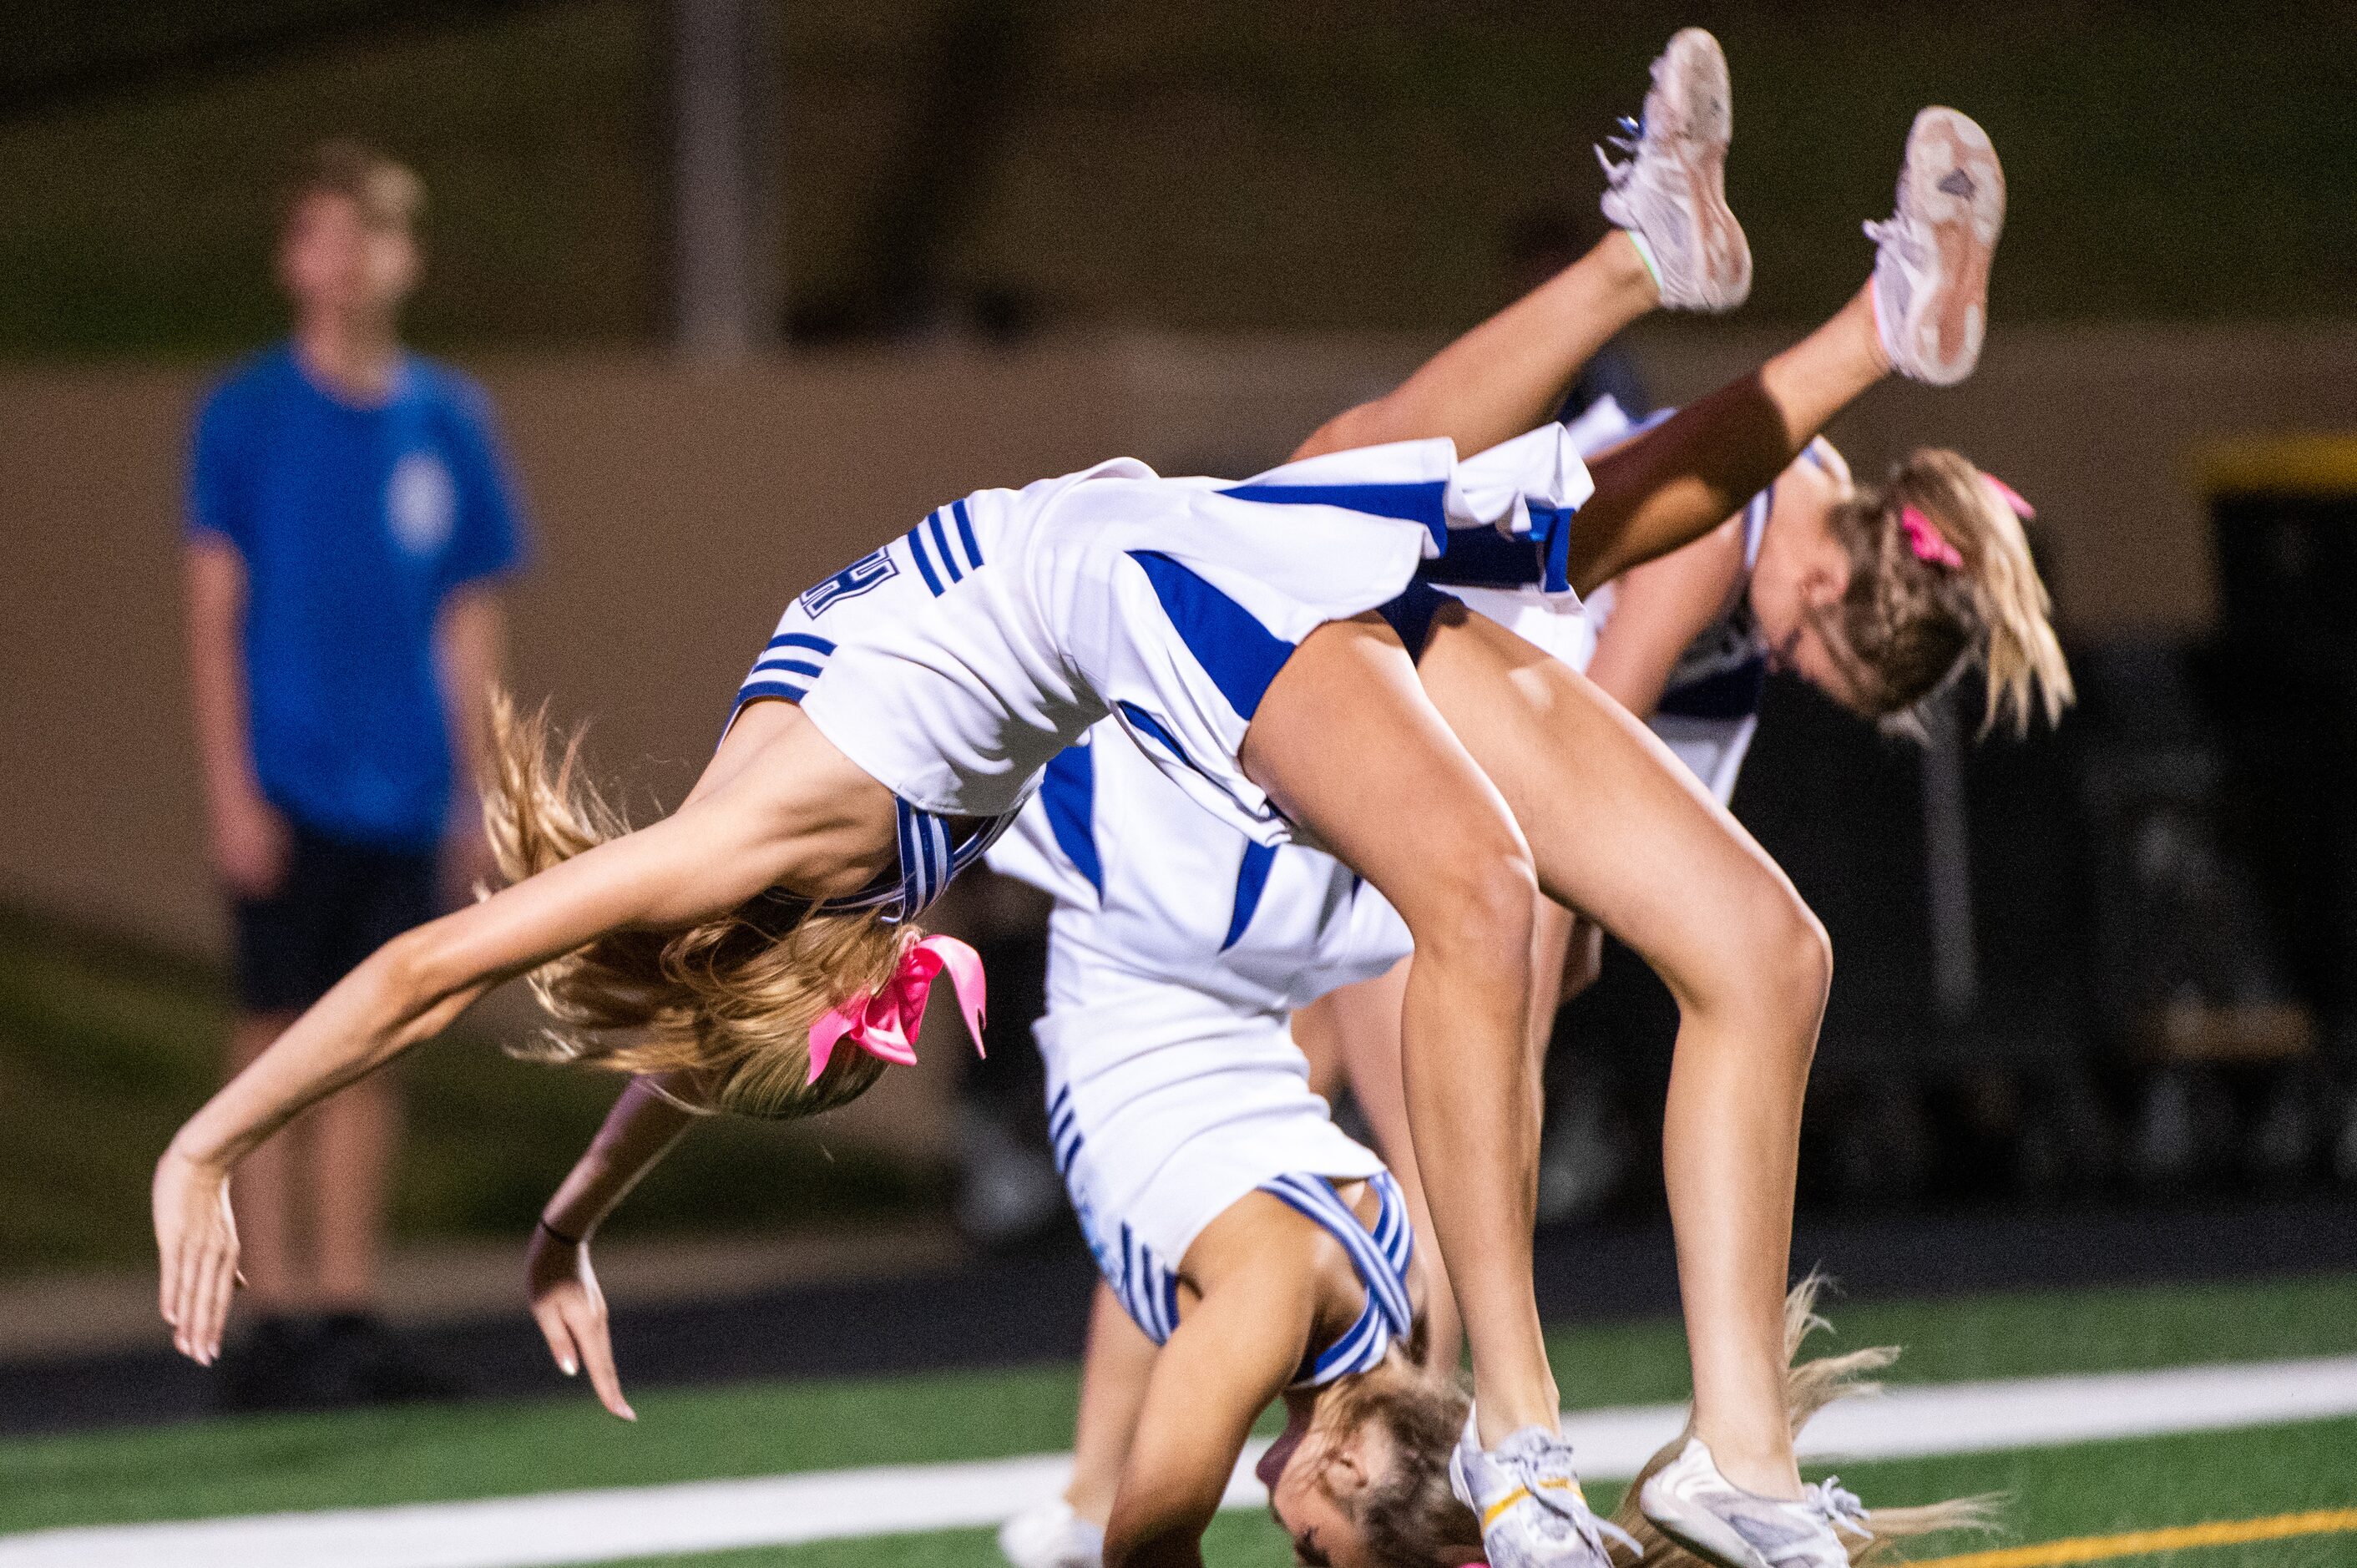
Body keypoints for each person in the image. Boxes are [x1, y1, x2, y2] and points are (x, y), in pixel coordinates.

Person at [161, 31, 1995, 1568]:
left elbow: (429, 968)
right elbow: (684, 1049)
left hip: (1130, 589)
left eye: (837, 1054)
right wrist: (573, 1221)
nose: (872, 1053)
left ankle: (1519, 1432)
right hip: (1127, 568)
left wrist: (208, 1142)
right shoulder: (777, 895)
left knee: (1479, 880)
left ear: (772, 969)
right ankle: (1731, 1463)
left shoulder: (742, 848)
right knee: (1746, 918)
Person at [181, 139, 529, 1409]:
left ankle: (342, 1306)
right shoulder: (247, 414)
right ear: (292, 258)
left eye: (366, 235)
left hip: (405, 786)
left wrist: (480, 786)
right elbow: (213, 611)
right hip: (290, 782)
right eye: (320, 235)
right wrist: (231, 786)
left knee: (378, 1044)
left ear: (403, 255)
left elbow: (467, 618)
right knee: (274, 1035)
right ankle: (265, 1315)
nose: (343, 261)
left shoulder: (448, 417)